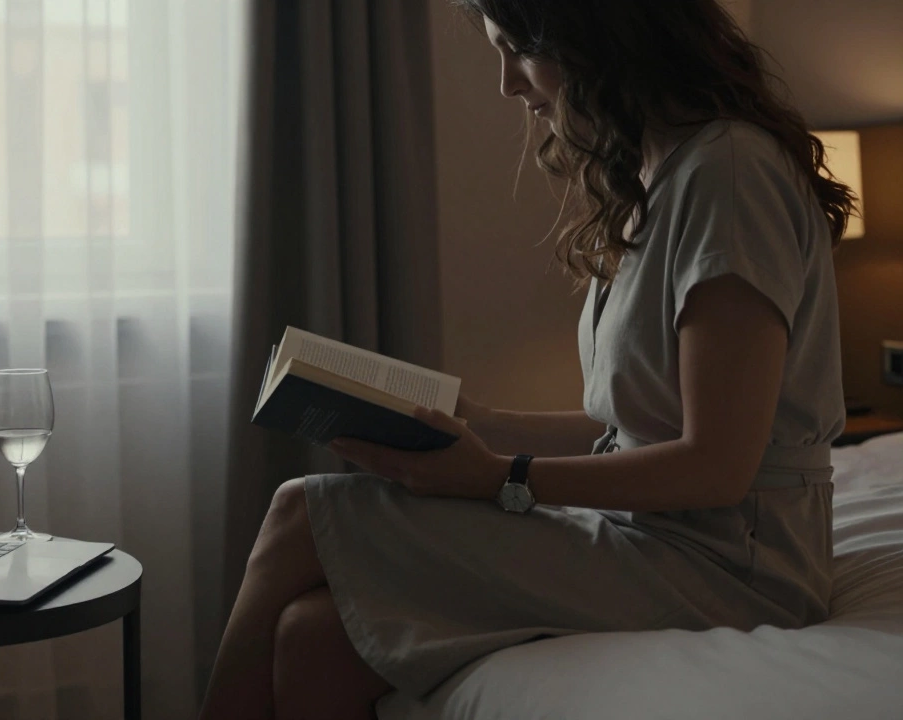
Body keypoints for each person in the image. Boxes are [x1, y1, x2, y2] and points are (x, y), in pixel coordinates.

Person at [199, 0, 858, 717]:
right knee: (313, 638)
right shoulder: (659, 176)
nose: (508, 84)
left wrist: (500, 478)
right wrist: (477, 421)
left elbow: (717, 464)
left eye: (517, 51)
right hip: (656, 535)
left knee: (300, 509)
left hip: (734, 566)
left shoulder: (729, 175)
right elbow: (636, 426)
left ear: (600, 37)